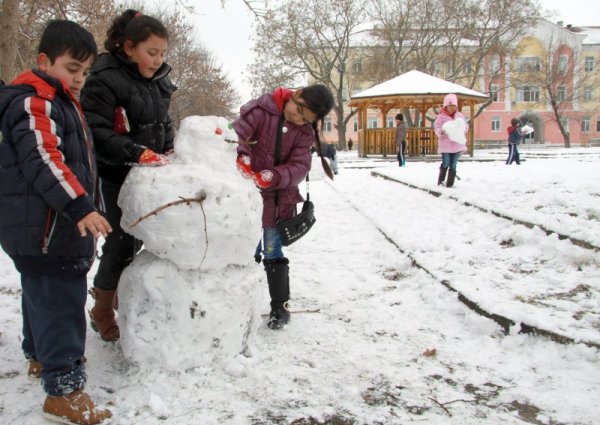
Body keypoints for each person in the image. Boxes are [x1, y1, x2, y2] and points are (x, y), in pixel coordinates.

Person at [0, 20, 113, 424]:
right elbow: (45, 160)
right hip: (50, 227)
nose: (79, 79)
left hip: (42, 227)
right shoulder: (37, 102)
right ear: (44, 60)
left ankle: (39, 356)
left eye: (85, 72)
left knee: (40, 294)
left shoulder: (60, 100)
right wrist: (82, 206)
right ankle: (63, 390)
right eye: (72, 68)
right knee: (61, 299)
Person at [80, 9, 176, 342]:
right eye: (152, 52)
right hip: (113, 175)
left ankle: (118, 292)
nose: (158, 59)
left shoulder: (159, 81)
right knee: (121, 243)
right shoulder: (104, 79)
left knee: (140, 240)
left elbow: (164, 123)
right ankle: (102, 308)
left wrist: (170, 150)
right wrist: (135, 152)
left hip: (149, 175)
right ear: (129, 46)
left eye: (162, 53)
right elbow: (95, 131)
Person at [232, 84, 334, 330]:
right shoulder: (261, 110)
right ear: (296, 95)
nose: (297, 119)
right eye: (299, 111)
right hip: (247, 198)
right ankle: (238, 302)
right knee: (244, 251)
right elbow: (237, 135)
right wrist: (242, 156)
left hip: (278, 203)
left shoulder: (304, 132)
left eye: (305, 119)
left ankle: (281, 306)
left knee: (272, 250)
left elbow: (300, 166)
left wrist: (274, 176)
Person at [434, 93, 468, 187]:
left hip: (457, 145)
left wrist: (464, 129)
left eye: (454, 105)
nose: (452, 108)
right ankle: (441, 181)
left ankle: (450, 184)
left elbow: (465, 125)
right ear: (446, 106)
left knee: (453, 164)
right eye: (450, 105)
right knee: (446, 162)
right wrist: (441, 132)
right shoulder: (441, 116)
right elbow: (436, 127)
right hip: (446, 145)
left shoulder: (459, 116)